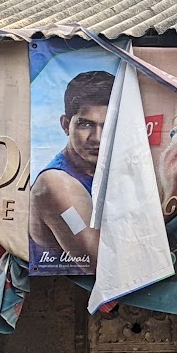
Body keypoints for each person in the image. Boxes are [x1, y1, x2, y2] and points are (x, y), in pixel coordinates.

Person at [29, 68, 114, 268]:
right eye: (86, 125)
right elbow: (99, 264)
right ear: (66, 125)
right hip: (63, 291)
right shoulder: (55, 185)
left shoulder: (109, 169)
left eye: (108, 125)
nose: (97, 138)